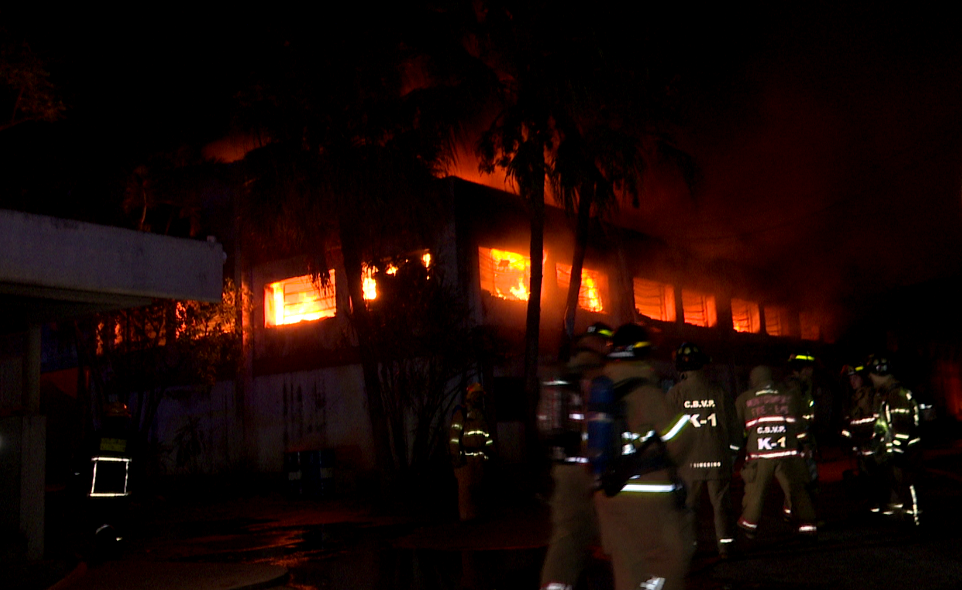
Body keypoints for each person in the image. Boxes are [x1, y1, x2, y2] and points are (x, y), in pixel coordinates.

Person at [591, 323, 693, 590]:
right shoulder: (647, 392)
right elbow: (679, 443)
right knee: (668, 562)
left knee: (627, 567)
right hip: (648, 499)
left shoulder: (596, 391)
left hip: (607, 496)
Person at [539, 322, 612, 590]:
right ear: (603, 345)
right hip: (597, 471)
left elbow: (543, 423)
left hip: (564, 472)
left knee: (566, 543)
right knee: (620, 539)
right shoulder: (605, 375)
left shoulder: (561, 376)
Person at [666, 342, 738, 558]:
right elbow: (733, 427)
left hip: (688, 461)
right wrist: (732, 453)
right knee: (722, 505)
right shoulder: (719, 392)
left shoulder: (675, 394)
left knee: (689, 507)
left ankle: (691, 547)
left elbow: (669, 431)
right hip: (717, 458)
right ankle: (726, 547)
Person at [735, 365, 817, 540]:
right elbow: (798, 425)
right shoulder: (788, 396)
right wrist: (805, 444)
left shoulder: (744, 399)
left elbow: (737, 429)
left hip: (760, 455)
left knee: (755, 491)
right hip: (787, 452)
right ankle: (807, 524)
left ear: (753, 380)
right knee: (796, 488)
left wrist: (738, 448)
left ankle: (749, 527)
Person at [865, 354, 922, 526]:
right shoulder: (888, 394)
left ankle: (913, 520)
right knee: (898, 484)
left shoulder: (896, 395)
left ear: (879, 373)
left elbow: (902, 427)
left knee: (906, 484)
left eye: (871, 374)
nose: (869, 378)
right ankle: (901, 519)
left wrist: (897, 451)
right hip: (898, 451)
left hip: (906, 451)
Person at [839, 363, 886, 513]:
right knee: (866, 476)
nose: (852, 382)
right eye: (850, 379)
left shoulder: (870, 395)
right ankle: (873, 505)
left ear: (862, 378)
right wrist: (847, 435)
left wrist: (864, 434)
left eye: (855, 378)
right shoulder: (854, 397)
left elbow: (873, 420)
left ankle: (881, 505)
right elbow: (852, 421)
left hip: (872, 444)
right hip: (861, 445)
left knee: (876, 476)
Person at [449, 383, 494, 521]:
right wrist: (456, 457)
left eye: (480, 397)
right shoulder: (461, 414)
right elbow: (454, 438)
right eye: (477, 396)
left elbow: (487, 437)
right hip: (465, 459)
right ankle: (465, 519)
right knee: (465, 490)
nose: (479, 399)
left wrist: (490, 454)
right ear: (471, 397)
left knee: (477, 488)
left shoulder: (481, 416)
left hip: (479, 459)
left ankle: (475, 517)